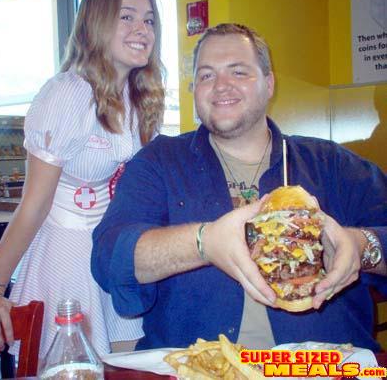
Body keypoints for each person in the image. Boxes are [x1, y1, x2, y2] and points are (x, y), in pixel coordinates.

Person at [91, 23, 387, 353]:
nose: (221, 86)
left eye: (238, 71)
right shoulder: (159, 163)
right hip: (199, 372)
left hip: (323, 368)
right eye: (206, 75)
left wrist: (361, 245)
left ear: (269, 83)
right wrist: (203, 243)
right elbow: (108, 258)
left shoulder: (332, 165)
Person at [0, 0, 165, 359]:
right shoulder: (69, 93)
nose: (141, 30)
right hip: (67, 247)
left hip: (111, 248)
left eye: (148, 20)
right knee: (73, 363)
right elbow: (34, 205)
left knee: (126, 361)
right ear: (97, 24)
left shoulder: (141, 98)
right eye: (126, 17)